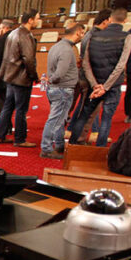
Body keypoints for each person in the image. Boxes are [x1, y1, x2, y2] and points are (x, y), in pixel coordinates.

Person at [66, 8, 131, 148]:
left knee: (84, 115)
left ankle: (71, 146)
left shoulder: (92, 36)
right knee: (106, 119)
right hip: (111, 86)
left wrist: (95, 84)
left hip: (94, 83)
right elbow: (121, 65)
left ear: (110, 20)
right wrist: (105, 86)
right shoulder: (126, 37)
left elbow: (86, 63)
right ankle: (100, 150)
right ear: (125, 20)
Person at [0, 9, 40, 147]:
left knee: (8, 107)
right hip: (21, 77)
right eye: (37, 18)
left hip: (10, 76)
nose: (39, 21)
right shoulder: (25, 35)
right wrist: (34, 76)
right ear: (30, 20)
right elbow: (29, 59)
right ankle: (20, 139)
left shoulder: (13, 33)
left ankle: (0, 136)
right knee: (21, 109)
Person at [40, 24, 84, 159]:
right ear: (77, 33)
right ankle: (46, 148)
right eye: (82, 33)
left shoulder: (56, 46)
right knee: (55, 120)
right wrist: (51, 79)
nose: (82, 36)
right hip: (62, 89)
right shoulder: (66, 50)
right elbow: (60, 73)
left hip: (56, 89)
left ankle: (59, 144)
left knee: (60, 118)